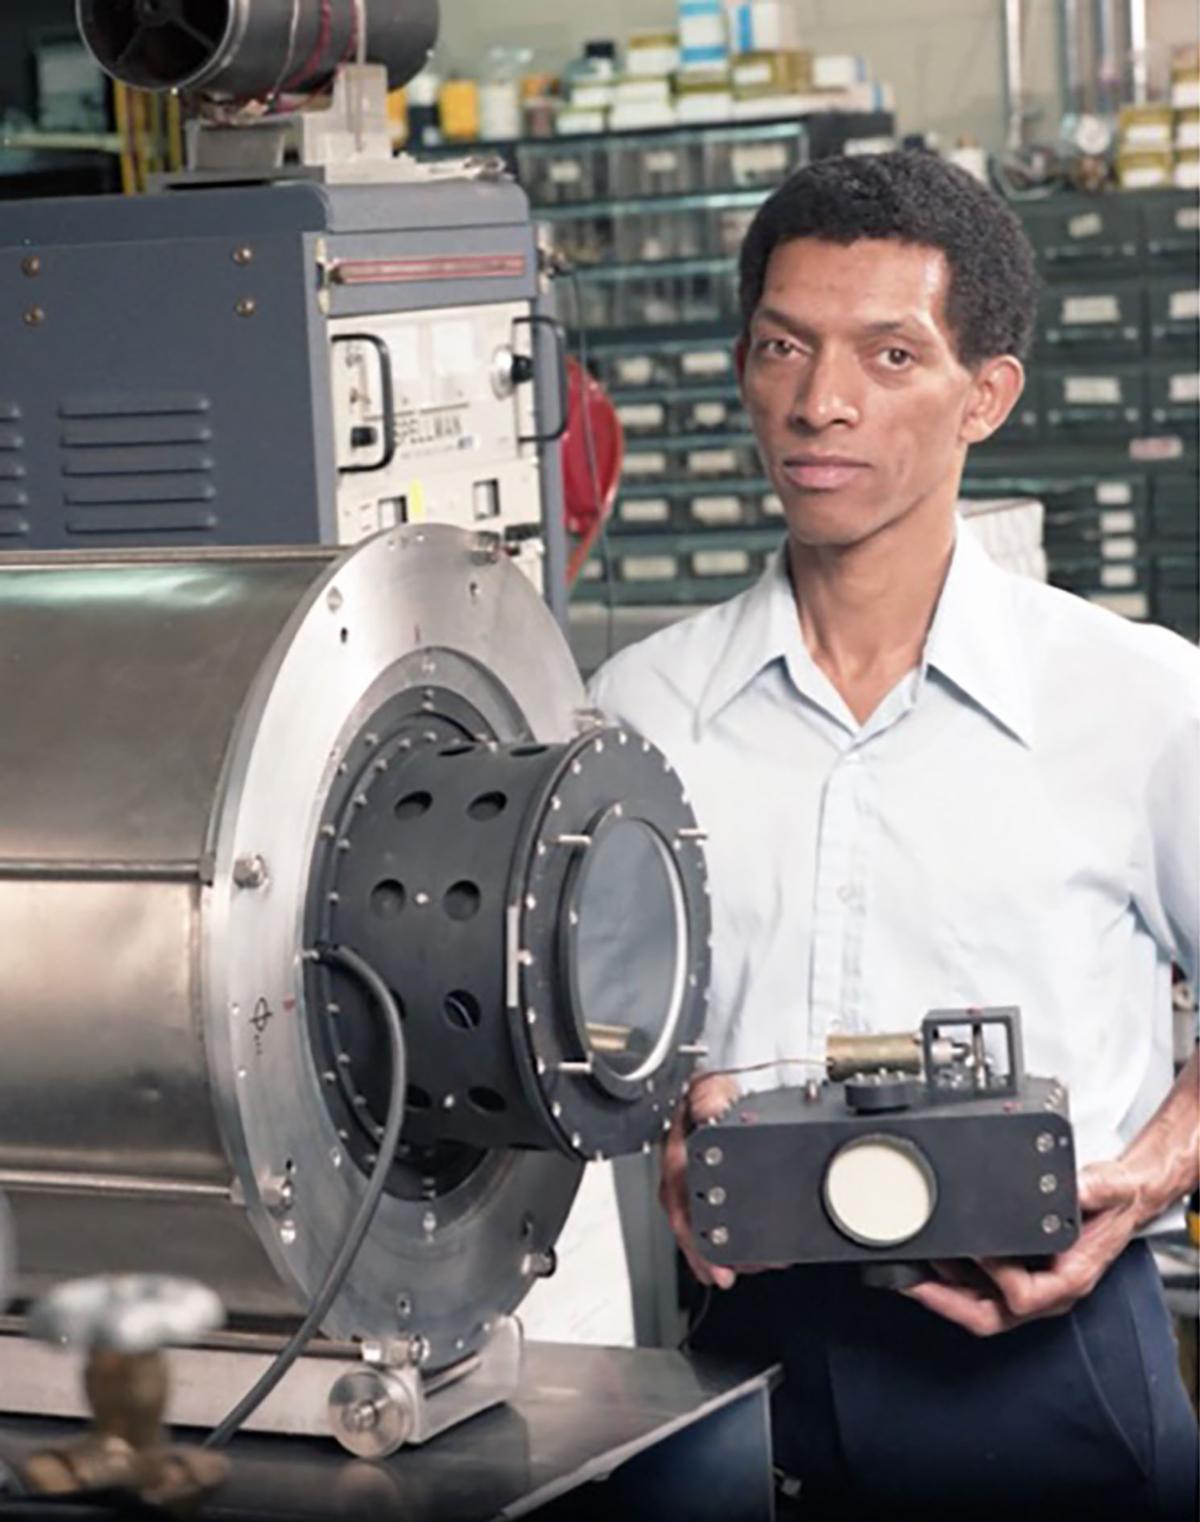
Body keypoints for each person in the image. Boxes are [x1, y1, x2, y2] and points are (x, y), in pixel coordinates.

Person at [587, 151, 1199, 1520]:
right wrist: (665, 1123)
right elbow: (604, 1041)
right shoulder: (640, 713)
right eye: (783, 346)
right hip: (730, 1357)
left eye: (891, 353)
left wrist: (1145, 1170)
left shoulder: (1140, 700)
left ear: (986, 394)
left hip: (1049, 1357)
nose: (823, 401)